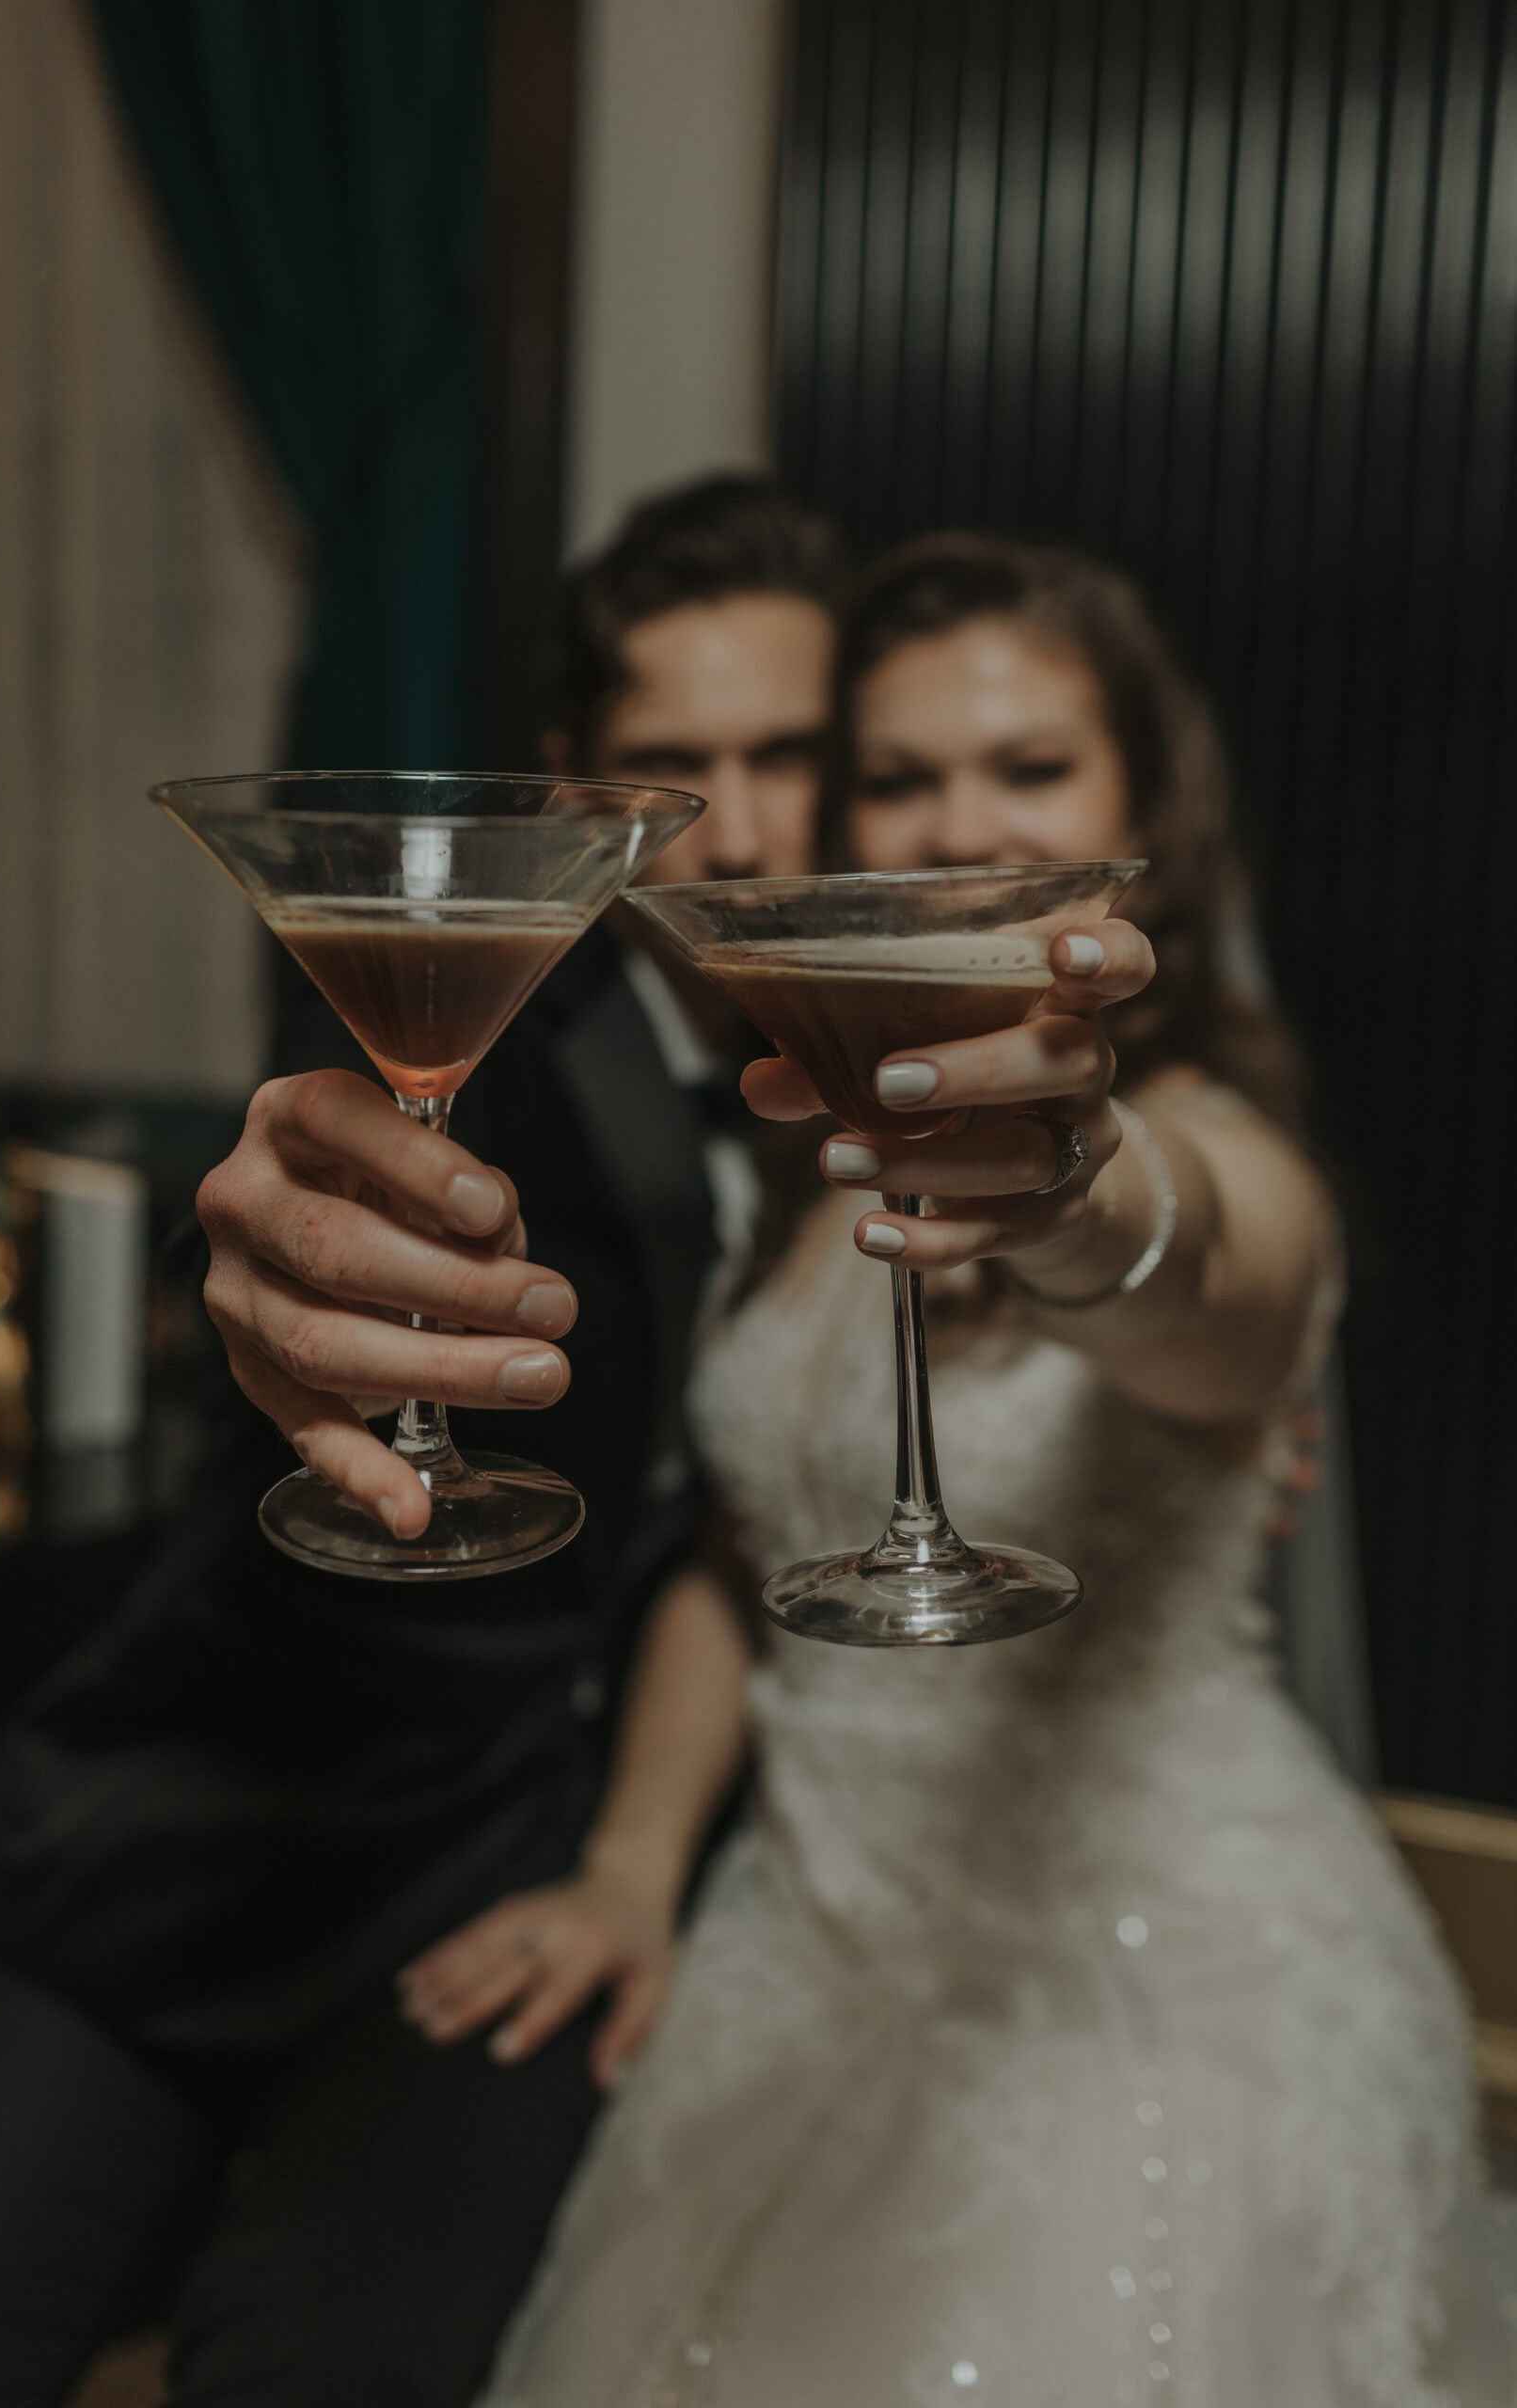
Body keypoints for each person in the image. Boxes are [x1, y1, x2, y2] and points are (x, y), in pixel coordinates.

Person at [438, 534, 1516, 2407]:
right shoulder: (795, 1159)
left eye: (1029, 770)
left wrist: (1072, 1193)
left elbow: (1216, 1280)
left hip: (1146, 1987)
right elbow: (745, 1554)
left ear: (1141, 812)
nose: (960, 819)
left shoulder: (1200, 1130)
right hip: (802, 1947)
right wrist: (626, 1864)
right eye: (901, 774)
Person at [0, 473, 840, 2408]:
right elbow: (301, 1186)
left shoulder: (850, 1059)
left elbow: (725, 1529)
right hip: (196, 1828)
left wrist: (631, 1855)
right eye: (678, 763)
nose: (737, 827)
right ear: (576, 775)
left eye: (787, 755)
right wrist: (261, 1299)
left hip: (492, 1905)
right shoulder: (499, 1005)